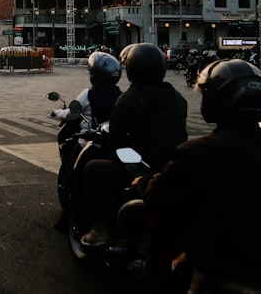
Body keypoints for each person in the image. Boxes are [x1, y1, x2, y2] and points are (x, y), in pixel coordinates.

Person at [138, 59, 261, 291]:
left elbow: (159, 197)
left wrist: (144, 182)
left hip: (217, 261)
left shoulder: (197, 151)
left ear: (216, 99)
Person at [80, 42, 188, 246]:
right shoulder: (178, 99)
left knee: (92, 169)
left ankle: (99, 229)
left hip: (143, 168)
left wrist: (137, 169)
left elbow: (118, 147)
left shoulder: (128, 99)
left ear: (131, 69)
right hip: (172, 167)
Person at [52, 50, 123, 131]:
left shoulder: (88, 94)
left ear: (95, 74)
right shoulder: (121, 95)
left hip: (90, 139)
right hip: (113, 138)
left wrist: (58, 112)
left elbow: (71, 114)